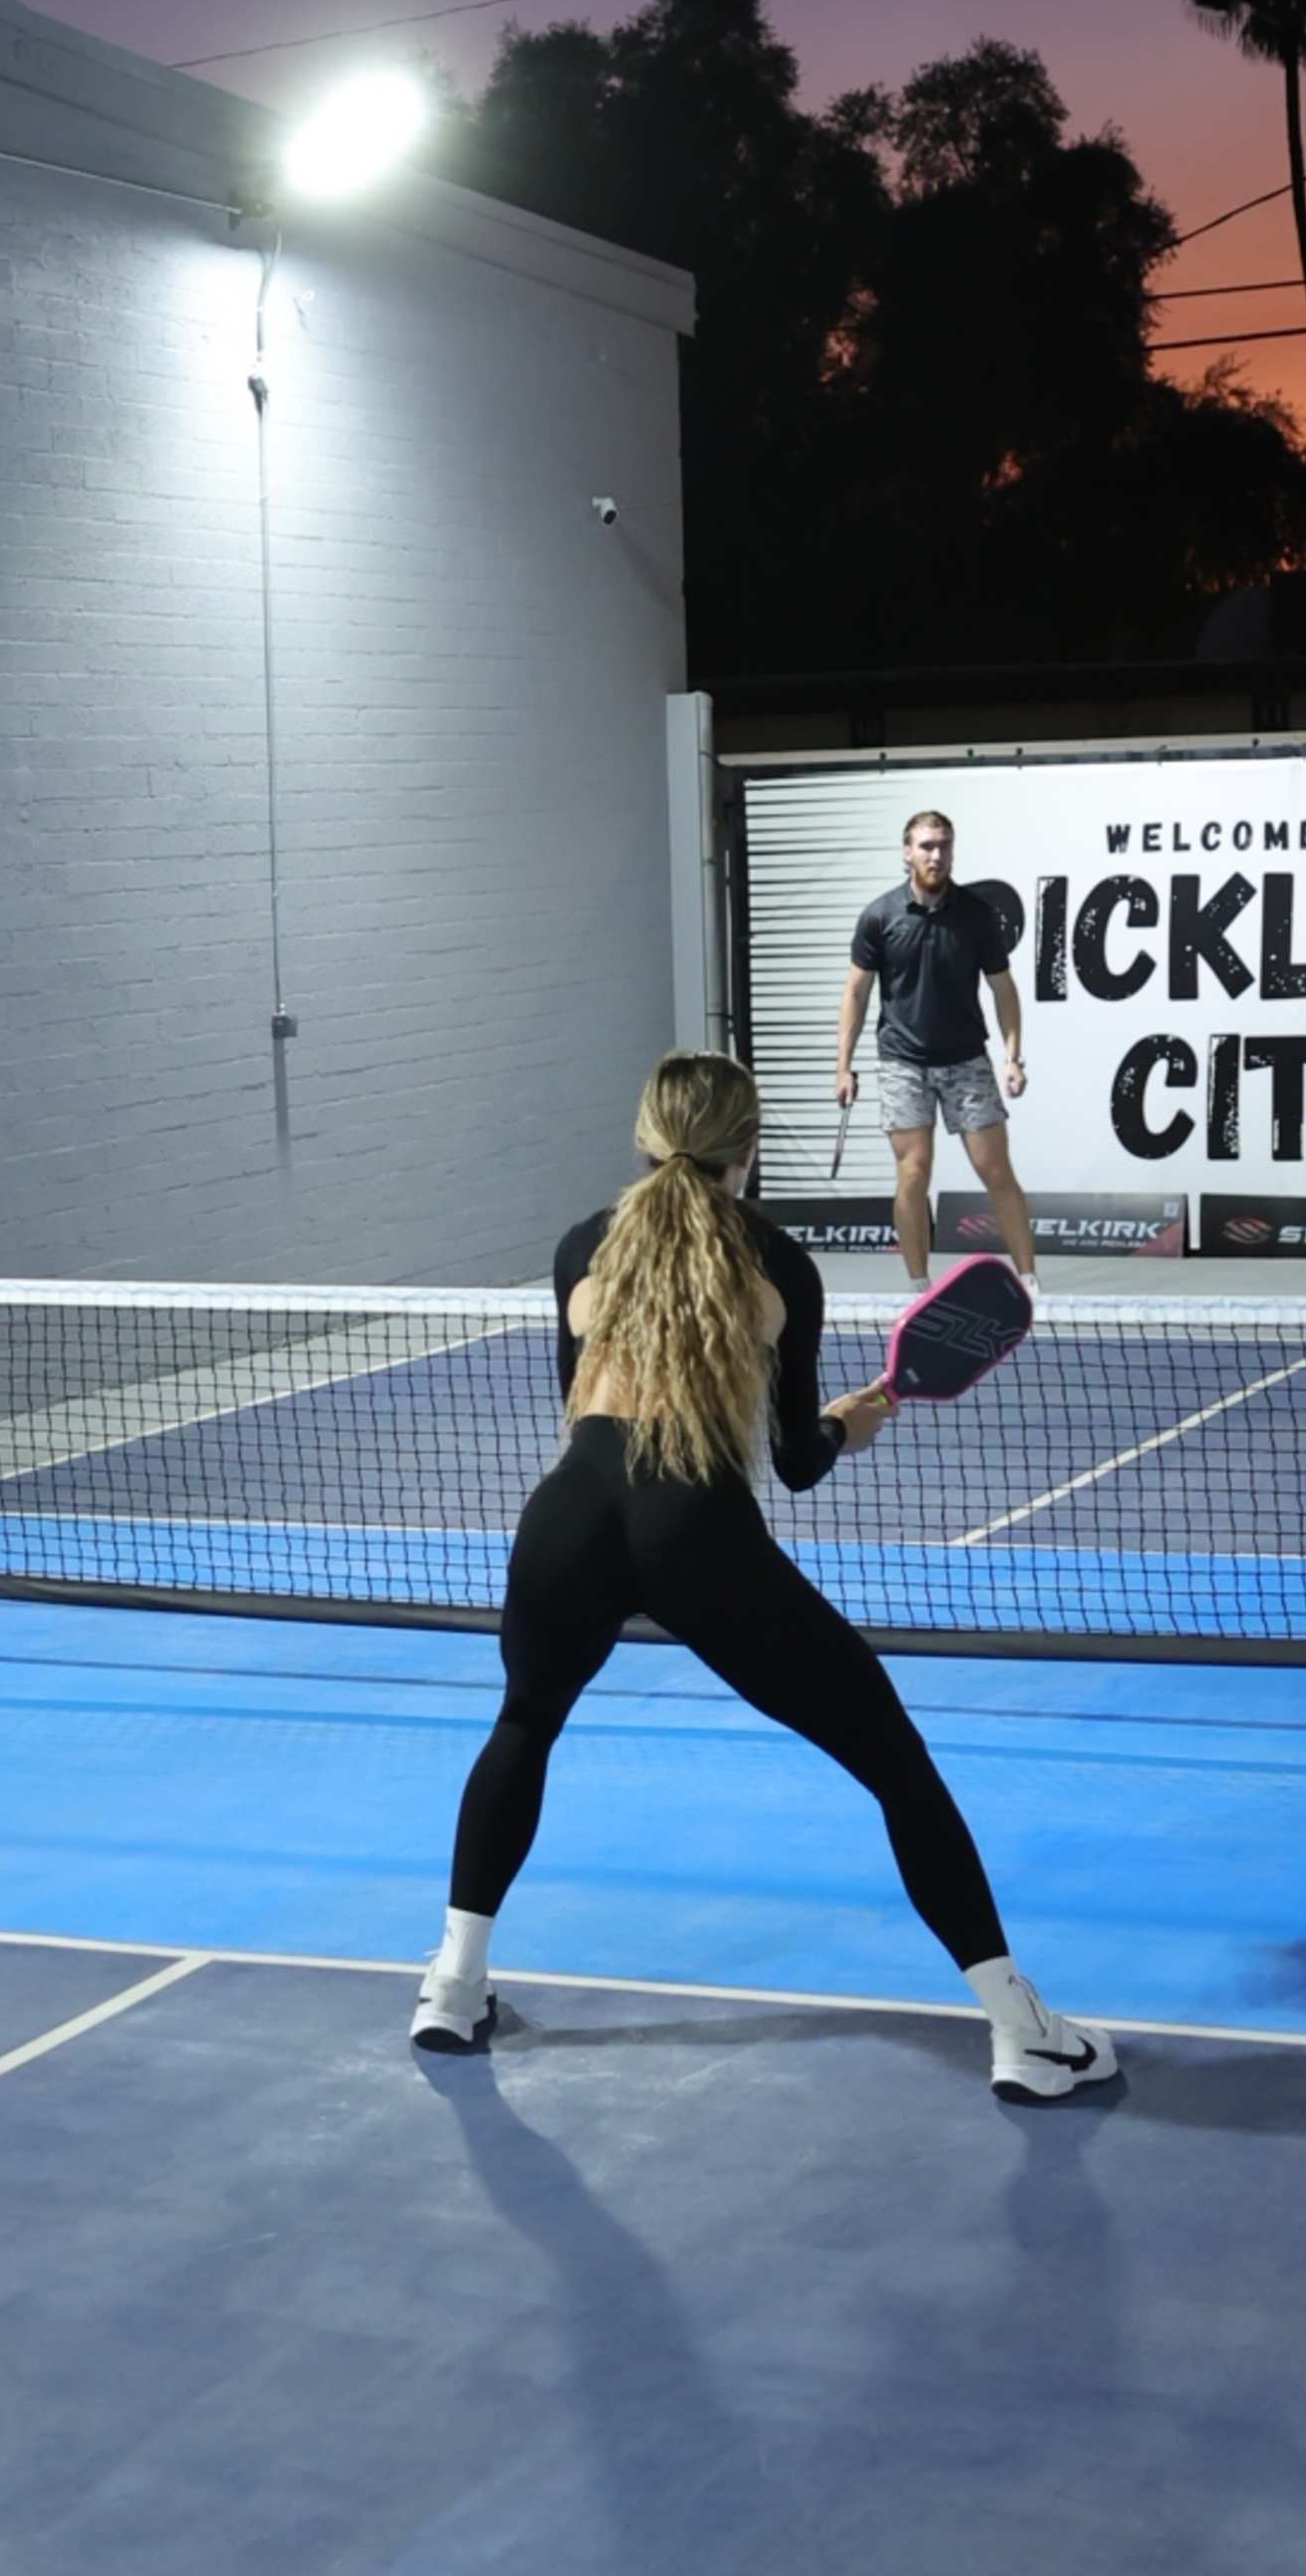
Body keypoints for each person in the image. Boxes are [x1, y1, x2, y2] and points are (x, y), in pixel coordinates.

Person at [410, 1048, 1116, 2099]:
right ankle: (1025, 2032)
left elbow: (587, 1411)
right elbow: (791, 1462)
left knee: (523, 1725)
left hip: (565, 1521)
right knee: (894, 1762)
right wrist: (847, 1423)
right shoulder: (782, 1262)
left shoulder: (577, 1249)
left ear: (646, 1138)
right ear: (749, 1151)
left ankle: (451, 1988)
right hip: (692, 1525)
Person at [832, 806, 1034, 1282]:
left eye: (943, 845)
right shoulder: (879, 916)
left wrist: (1012, 1056)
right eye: (926, 846)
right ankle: (919, 1285)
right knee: (913, 1172)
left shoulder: (977, 916)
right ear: (907, 854)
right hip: (902, 1062)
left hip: (966, 1059)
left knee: (996, 1171)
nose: (936, 855)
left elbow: (1003, 988)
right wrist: (842, 1067)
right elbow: (855, 992)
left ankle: (1029, 1281)